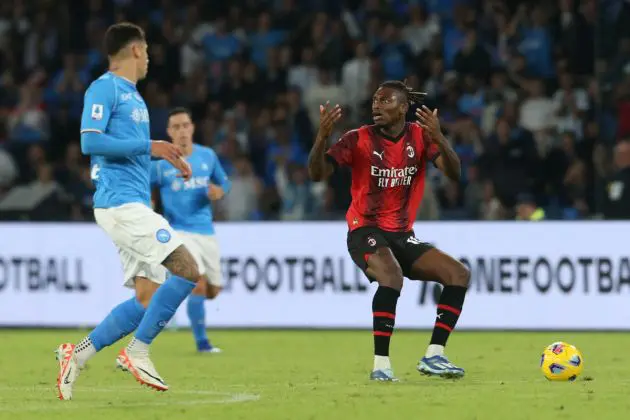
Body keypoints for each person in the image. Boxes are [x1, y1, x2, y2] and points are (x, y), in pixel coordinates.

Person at [55, 22, 205, 400]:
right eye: (148, 50)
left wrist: (162, 160)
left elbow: (132, 157)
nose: (151, 57)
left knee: (146, 299)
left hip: (132, 202)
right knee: (187, 269)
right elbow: (90, 142)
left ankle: (78, 354)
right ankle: (137, 352)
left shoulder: (134, 98)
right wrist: (150, 145)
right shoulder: (105, 87)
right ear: (136, 50)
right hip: (119, 205)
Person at [307, 80, 470, 382]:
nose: (376, 106)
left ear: (404, 107)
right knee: (392, 277)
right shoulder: (357, 139)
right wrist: (321, 137)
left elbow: (454, 173)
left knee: (458, 274)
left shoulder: (420, 137)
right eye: (375, 101)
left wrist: (440, 137)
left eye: (385, 101)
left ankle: (434, 355)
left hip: (401, 233)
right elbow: (317, 174)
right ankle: (381, 365)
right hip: (364, 229)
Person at [151, 107, 231, 353]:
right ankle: (203, 344)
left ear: (192, 128)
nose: (182, 131)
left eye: (185, 125)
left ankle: (171, 293)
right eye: (176, 127)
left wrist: (219, 191)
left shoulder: (207, 156)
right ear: (168, 133)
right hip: (179, 232)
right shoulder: (160, 166)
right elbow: (143, 189)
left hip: (206, 231)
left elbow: (224, 181)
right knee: (197, 282)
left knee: (212, 291)